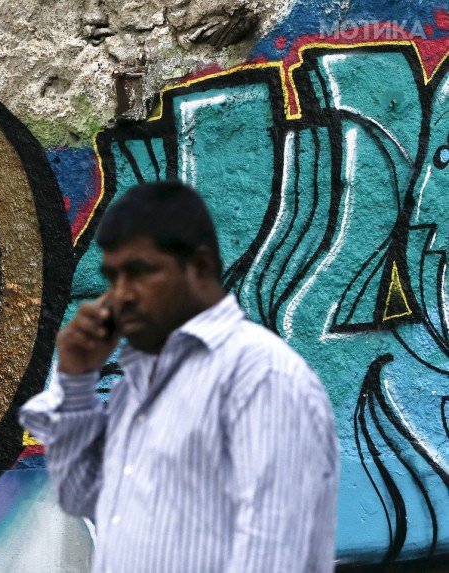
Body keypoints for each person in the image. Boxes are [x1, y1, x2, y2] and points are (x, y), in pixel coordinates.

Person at [20, 180, 338, 572]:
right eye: (114, 277)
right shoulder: (140, 385)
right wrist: (76, 383)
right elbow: (82, 496)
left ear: (200, 268)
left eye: (140, 272)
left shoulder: (260, 377)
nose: (122, 295)